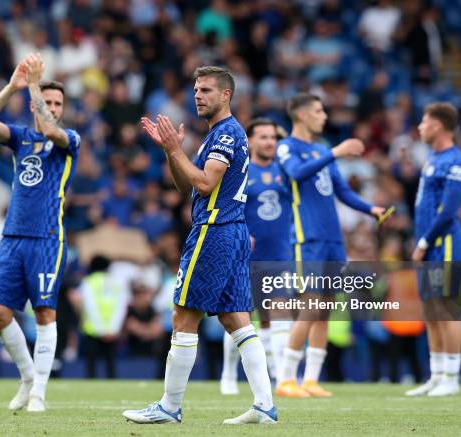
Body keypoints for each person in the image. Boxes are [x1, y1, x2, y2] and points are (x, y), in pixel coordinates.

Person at [123, 66, 277, 425]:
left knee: (183, 316)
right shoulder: (217, 134)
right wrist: (169, 151)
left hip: (214, 231)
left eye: (206, 90)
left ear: (226, 95)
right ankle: (265, 405)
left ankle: (169, 407)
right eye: (196, 89)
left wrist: (177, 149)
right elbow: (185, 186)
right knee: (235, 318)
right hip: (232, 231)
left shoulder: (225, 134)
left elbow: (205, 184)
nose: (198, 95)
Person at [0, 53, 81, 412]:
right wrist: (12, 87)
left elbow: (51, 129)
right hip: (12, 237)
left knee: (45, 313)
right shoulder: (20, 137)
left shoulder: (69, 140)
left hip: (48, 238)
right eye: (47, 101)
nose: (52, 107)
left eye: (57, 103)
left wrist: (34, 83)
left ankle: (40, 394)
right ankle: (27, 378)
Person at [274, 93, 386, 398]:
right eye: (319, 111)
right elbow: (296, 174)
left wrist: (371, 209)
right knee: (309, 307)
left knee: (325, 310)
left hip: (334, 241)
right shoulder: (286, 148)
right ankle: (286, 379)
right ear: (301, 115)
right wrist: (335, 152)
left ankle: (310, 380)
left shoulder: (322, 150)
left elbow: (343, 192)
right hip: (307, 239)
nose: (324, 116)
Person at [220, 118, 293, 395]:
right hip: (245, 254)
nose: (269, 142)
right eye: (262, 136)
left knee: (279, 313)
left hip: (279, 253)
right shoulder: (240, 171)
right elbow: (228, 204)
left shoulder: (286, 170)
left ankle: (281, 376)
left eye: (272, 137)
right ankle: (228, 375)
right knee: (241, 316)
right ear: (249, 141)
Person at [405, 102, 461, 397]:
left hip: (443, 245)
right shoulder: (433, 157)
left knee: (446, 310)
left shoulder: (454, 162)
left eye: (424, 121)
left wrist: (423, 242)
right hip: (428, 245)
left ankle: (452, 378)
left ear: (438, 126)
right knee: (431, 310)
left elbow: (448, 211)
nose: (420, 127)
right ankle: (437, 375)